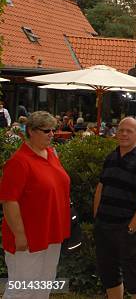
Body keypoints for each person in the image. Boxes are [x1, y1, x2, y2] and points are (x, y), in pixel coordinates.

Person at [0, 111, 71, 299]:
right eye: (46, 130)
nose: (51, 134)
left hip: (51, 231)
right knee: (22, 289)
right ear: (31, 131)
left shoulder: (51, 154)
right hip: (29, 236)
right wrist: (20, 235)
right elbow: (9, 201)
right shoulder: (18, 162)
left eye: (53, 130)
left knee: (44, 285)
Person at [93, 117, 136, 299]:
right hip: (104, 227)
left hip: (127, 230)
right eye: (121, 130)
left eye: (129, 131)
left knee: (134, 278)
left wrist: (130, 229)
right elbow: (100, 189)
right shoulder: (111, 157)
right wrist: (98, 219)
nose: (124, 134)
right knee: (109, 275)